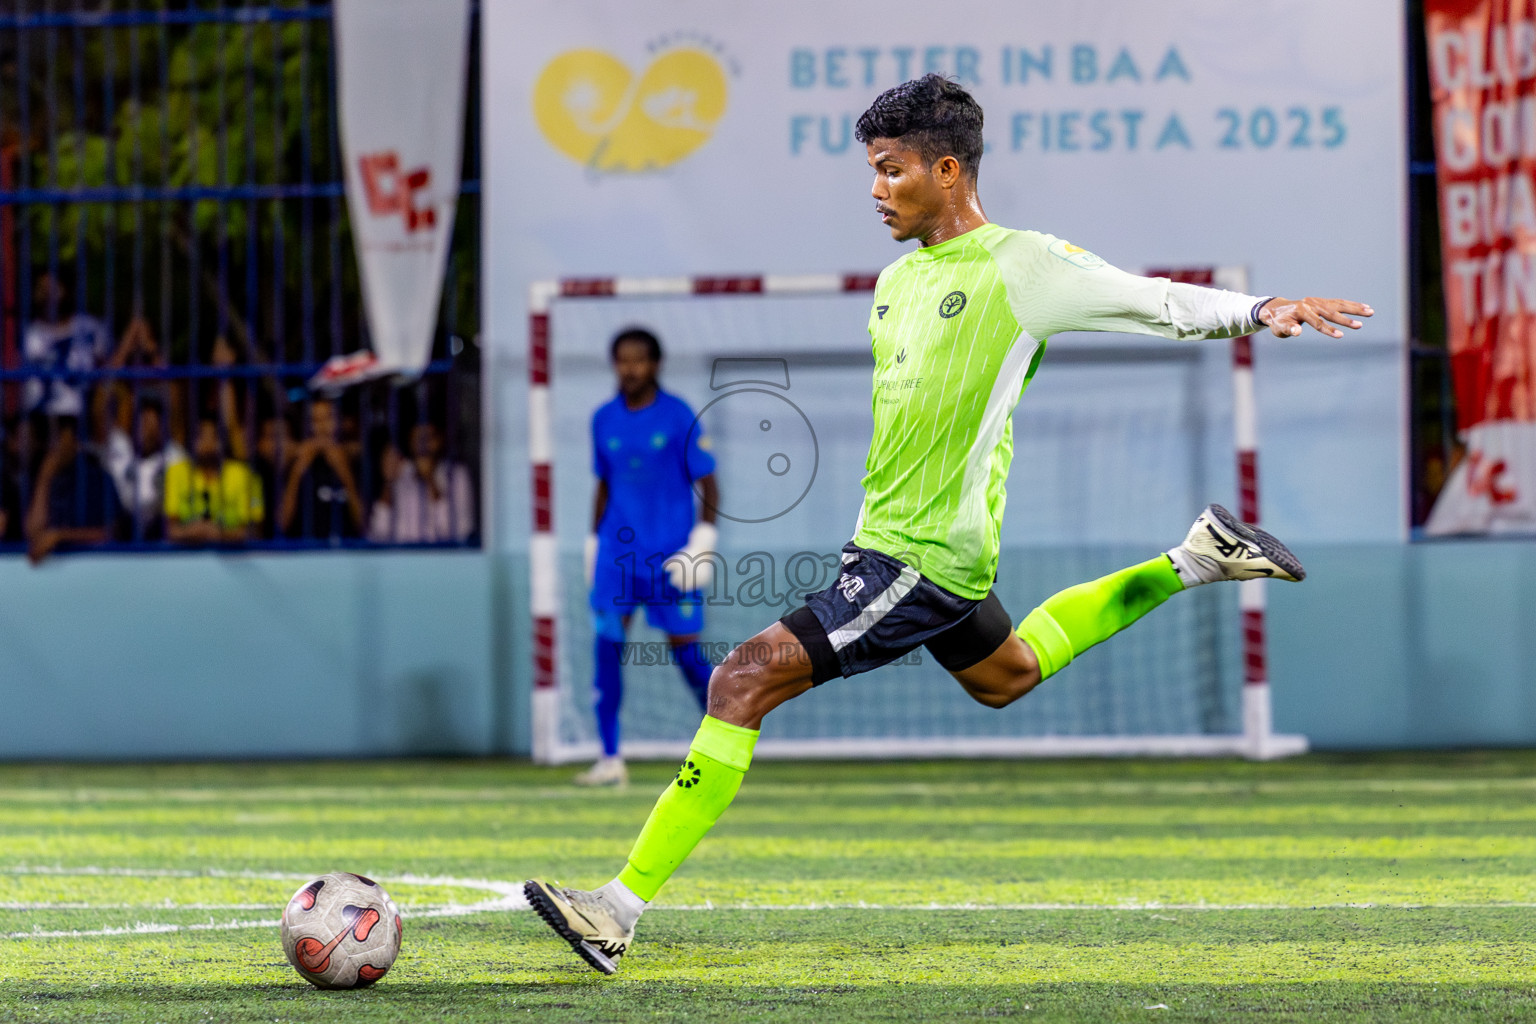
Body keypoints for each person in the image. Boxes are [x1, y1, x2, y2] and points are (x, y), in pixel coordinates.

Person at [522, 75, 1373, 974]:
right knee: (1006, 676)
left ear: (948, 168)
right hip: (910, 550)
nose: (876, 189)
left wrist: (1257, 308)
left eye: (892, 171)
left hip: (914, 558)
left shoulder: (1023, 266)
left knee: (738, 682)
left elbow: (1150, 299)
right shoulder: (893, 284)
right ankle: (1195, 559)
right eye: (873, 172)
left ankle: (614, 909)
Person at [570, 328, 721, 788]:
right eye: (622, 360)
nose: (629, 368)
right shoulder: (602, 419)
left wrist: (703, 540)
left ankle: (722, 748)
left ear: (655, 364)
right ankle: (610, 757)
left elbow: (709, 483)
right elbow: (604, 483)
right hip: (617, 556)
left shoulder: (678, 417)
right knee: (607, 649)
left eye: (638, 360)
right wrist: (594, 542)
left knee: (688, 655)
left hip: (671, 557)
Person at [24, 415, 119, 565]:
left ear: (76, 442)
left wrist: (60, 536)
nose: (55, 446)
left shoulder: (97, 478)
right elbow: (33, 532)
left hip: (92, 567)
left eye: (60, 437)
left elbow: (109, 533)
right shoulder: (40, 475)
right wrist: (44, 479)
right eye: (52, 438)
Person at [22, 273, 113, 421]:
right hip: (34, 416)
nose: (47, 294)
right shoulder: (27, 334)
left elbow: (108, 368)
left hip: (78, 416)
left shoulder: (89, 328)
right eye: (42, 289)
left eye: (52, 288)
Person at [163, 413, 264, 545]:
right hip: (186, 556)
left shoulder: (244, 475)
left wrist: (221, 534)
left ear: (224, 441)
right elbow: (169, 530)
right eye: (201, 436)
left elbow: (255, 531)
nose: (208, 442)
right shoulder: (176, 472)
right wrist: (193, 532)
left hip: (233, 554)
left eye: (214, 436)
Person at [367, 420, 475, 544]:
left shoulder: (457, 474)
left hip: (439, 560)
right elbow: (378, 532)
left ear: (441, 440)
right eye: (418, 438)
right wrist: (389, 483)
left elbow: (458, 532)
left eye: (429, 438)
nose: (423, 445)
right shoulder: (401, 472)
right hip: (401, 558)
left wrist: (430, 480)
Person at [277, 397, 365, 541]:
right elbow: (282, 523)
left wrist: (344, 471)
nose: (322, 426)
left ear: (340, 421)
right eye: (315, 420)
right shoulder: (298, 462)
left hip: (346, 552)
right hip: (306, 553)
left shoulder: (354, 461)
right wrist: (297, 472)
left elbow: (364, 525)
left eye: (328, 418)